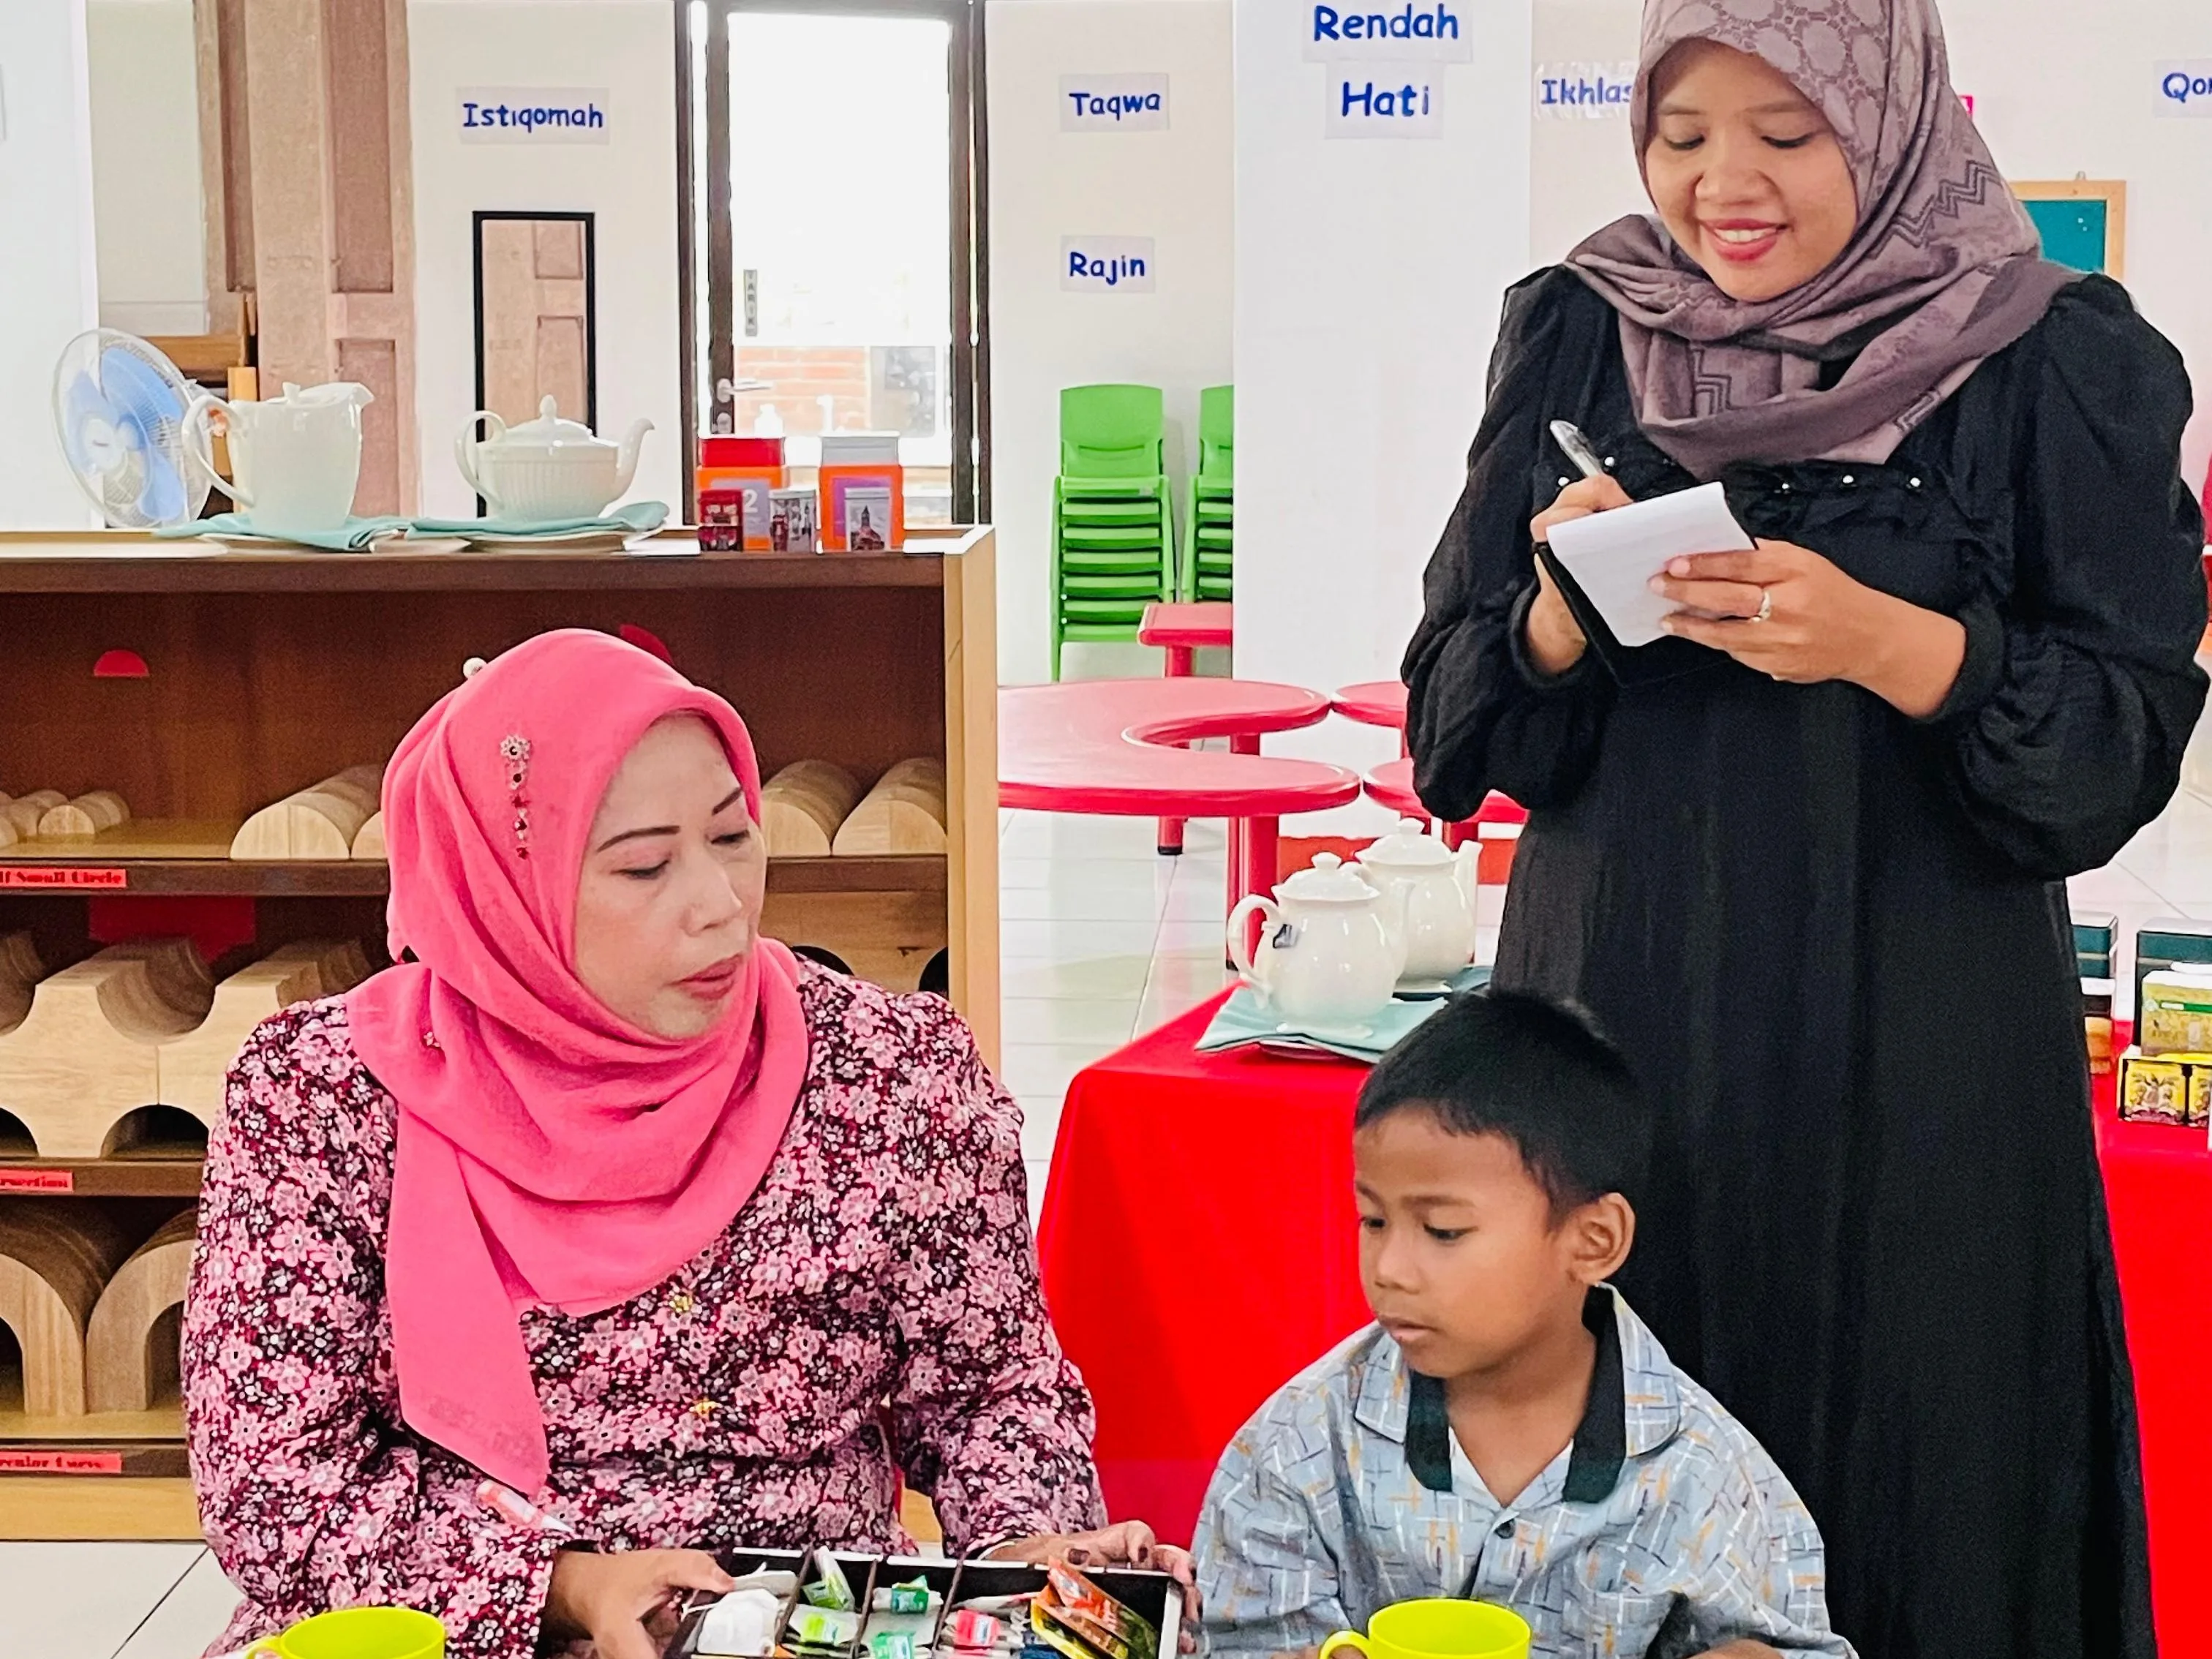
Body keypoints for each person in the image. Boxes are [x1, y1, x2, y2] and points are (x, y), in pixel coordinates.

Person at [1400, 3, 2205, 1655]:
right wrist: (1558, 608)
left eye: (1786, 134)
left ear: (1893, 120)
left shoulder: (2049, 355)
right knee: (1611, 1480)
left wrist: (1889, 645)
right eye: (1681, 135)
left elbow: (2115, 742)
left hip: (1921, 1068)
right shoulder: (1578, 331)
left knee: (1919, 1481)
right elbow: (1454, 727)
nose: (1724, 185)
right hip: (1619, 1033)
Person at [184, 631, 1187, 1659]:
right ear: (502, 892)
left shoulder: (890, 1071)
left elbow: (993, 1393)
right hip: (443, 1625)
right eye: (645, 865)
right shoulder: (329, 1097)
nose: (721, 906)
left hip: (806, 1623)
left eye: (733, 835)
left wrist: (1033, 1557)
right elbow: (273, 1488)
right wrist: (566, 1590)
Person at [1194, 992, 1852, 1659]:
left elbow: (1797, 1647)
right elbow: (1234, 1635)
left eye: (1443, 1230)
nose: (1389, 1268)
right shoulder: (1300, 1445)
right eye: (1374, 1220)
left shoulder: (1705, 1475)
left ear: (1593, 1241)